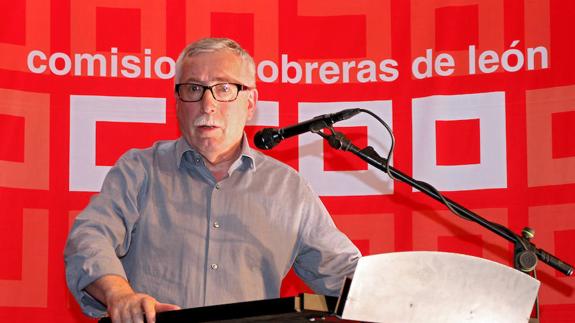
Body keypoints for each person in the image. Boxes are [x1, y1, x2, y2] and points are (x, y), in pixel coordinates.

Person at [64, 37, 361, 323]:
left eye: (224, 88)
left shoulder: (286, 188)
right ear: (177, 102)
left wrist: (402, 285)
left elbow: (344, 275)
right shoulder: (139, 170)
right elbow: (90, 239)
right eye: (194, 88)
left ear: (250, 102)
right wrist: (120, 295)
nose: (208, 104)